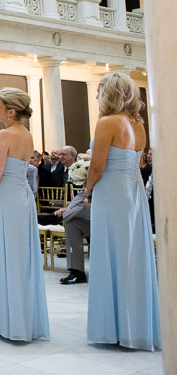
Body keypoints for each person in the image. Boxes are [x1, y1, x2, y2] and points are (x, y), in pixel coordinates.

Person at [84, 73, 160, 350]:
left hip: (112, 191)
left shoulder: (107, 122)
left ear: (109, 93)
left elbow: (96, 166)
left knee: (110, 253)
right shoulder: (138, 124)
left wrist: (88, 189)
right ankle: (136, 325)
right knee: (132, 254)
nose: (95, 96)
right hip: (133, 190)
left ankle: (112, 326)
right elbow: (137, 162)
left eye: (99, 90)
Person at [0, 88, 49, 341]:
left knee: (6, 255)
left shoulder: (5, 134)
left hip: (6, 198)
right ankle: (22, 320)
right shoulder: (27, 134)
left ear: (11, 111)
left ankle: (10, 321)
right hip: (22, 198)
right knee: (20, 258)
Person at [53, 185, 90, 285]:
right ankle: (77, 271)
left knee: (83, 206)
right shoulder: (88, 181)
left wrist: (89, 196)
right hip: (91, 217)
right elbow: (81, 195)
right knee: (71, 223)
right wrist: (68, 208)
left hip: (109, 216)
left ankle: (56, 217)